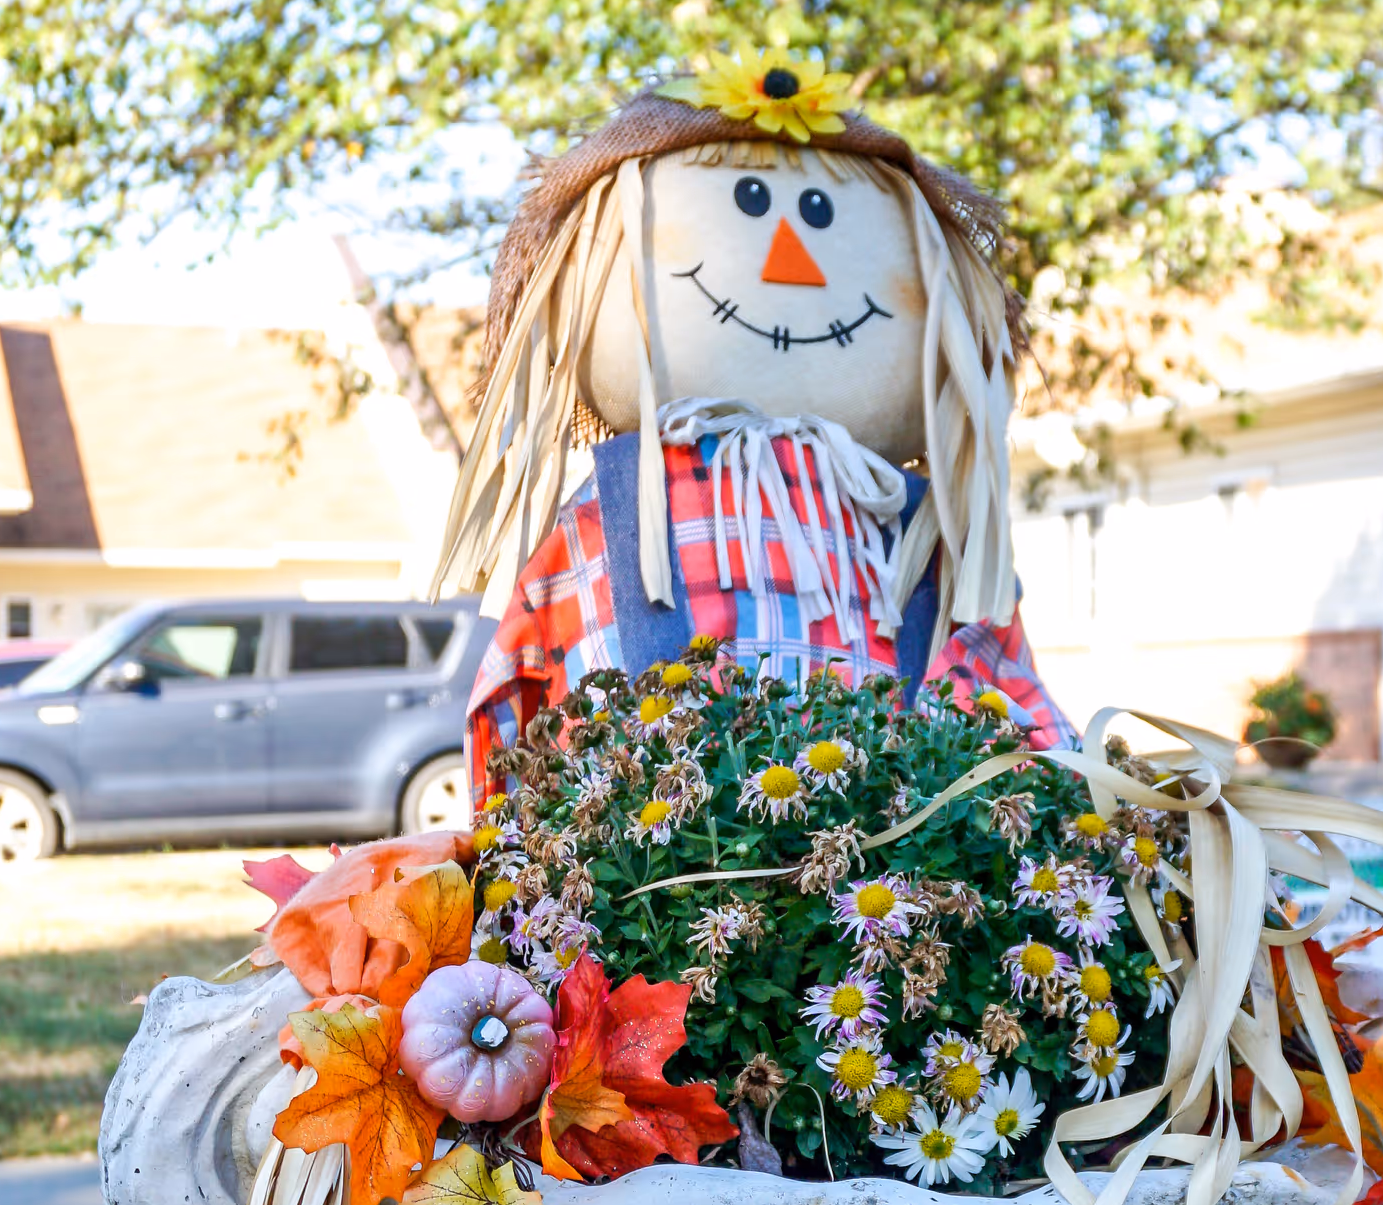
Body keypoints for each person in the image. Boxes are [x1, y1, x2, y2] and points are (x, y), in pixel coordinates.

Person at [435, 50, 1072, 787]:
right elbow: (520, 699)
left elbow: (1012, 707)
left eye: (818, 212)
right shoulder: (610, 517)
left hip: (893, 891)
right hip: (659, 887)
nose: (789, 258)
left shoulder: (928, 534)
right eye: (746, 203)